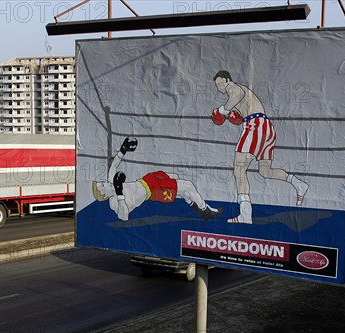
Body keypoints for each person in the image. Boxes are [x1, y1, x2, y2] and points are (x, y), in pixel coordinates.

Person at [212, 70, 309, 224]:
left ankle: (245, 214)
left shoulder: (233, 87)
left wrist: (222, 111)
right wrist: (230, 115)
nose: (219, 88)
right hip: (267, 128)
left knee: (239, 169)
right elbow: (239, 114)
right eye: (217, 86)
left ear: (226, 79)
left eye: (219, 83)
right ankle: (298, 183)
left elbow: (235, 96)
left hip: (254, 126)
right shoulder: (243, 96)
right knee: (265, 171)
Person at [92, 137, 222, 221]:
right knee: (187, 186)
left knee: (176, 178)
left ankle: (193, 205)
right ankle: (205, 210)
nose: (105, 183)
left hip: (147, 179)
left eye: (102, 182)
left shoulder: (111, 181)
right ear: (104, 195)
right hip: (153, 190)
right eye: (102, 185)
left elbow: (114, 164)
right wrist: (120, 193)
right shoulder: (114, 202)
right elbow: (124, 217)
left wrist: (123, 149)